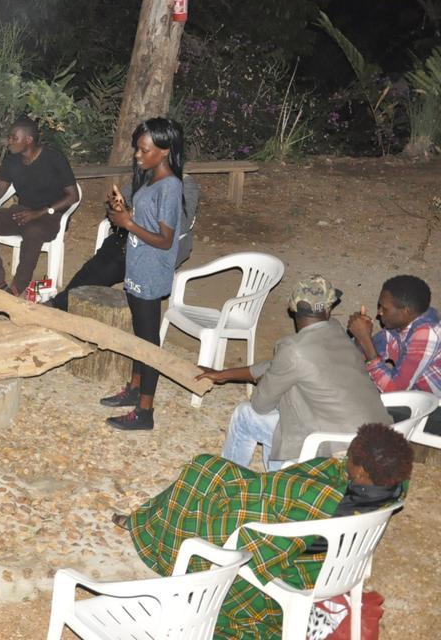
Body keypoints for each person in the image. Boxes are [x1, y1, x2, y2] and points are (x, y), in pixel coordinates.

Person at [113, 423, 412, 639]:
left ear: (360, 472)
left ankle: (150, 528)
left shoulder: (326, 499)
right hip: (323, 556)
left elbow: (272, 512)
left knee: (202, 472)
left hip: (289, 561)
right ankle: (150, 516)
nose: (345, 459)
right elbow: (287, 489)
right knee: (211, 471)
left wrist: (245, 495)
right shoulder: (392, 489)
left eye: (351, 459)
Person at [201, 275, 391, 470]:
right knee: (287, 412)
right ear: (328, 309)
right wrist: (224, 375)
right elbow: (279, 365)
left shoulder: (293, 350)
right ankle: (275, 483)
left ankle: (227, 480)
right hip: (377, 445)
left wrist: (273, 386)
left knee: (245, 415)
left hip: (336, 454)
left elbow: (260, 405)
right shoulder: (335, 330)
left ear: (291, 309)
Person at [96, 118, 184, 431]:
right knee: (139, 334)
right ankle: (134, 389)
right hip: (137, 266)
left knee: (149, 343)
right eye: (137, 147)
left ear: (164, 151)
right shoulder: (150, 179)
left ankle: (145, 411)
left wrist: (129, 224)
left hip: (150, 272)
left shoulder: (171, 187)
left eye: (144, 149)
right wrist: (125, 211)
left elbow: (165, 239)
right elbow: (144, 220)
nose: (137, 154)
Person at [47, 174, 200, 311]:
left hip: (161, 246)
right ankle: (64, 301)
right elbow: (116, 205)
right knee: (100, 262)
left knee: (111, 264)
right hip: (129, 238)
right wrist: (117, 207)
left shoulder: (185, 184)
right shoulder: (143, 177)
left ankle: (59, 304)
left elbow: (182, 224)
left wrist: (133, 216)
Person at [0, 116, 79, 295]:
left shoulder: (53, 157)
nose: (9, 142)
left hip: (51, 214)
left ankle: (16, 287)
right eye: (9, 137)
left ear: (29, 140)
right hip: (24, 212)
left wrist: (41, 212)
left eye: (14, 138)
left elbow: (73, 196)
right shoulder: (12, 159)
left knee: (33, 231)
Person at [348, 274, 441, 435]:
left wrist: (365, 339)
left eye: (384, 308)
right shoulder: (400, 326)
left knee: (363, 404)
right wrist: (360, 339)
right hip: (421, 399)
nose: (378, 313)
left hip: (436, 412)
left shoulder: (427, 333)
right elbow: (358, 359)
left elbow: (395, 390)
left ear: (406, 311)